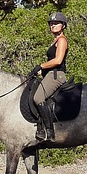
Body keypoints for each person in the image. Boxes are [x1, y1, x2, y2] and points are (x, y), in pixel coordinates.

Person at [30, 12, 69, 142]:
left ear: (63, 25)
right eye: (51, 23)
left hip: (57, 75)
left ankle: (49, 131)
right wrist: (41, 71)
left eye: (56, 23)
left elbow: (58, 61)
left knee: (38, 97)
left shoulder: (62, 40)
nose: (53, 25)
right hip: (50, 74)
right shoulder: (55, 40)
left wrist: (41, 66)